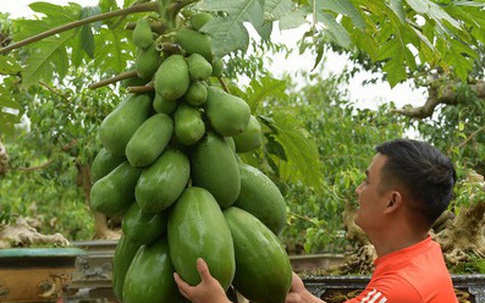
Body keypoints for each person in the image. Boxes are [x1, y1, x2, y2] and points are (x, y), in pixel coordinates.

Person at [173, 139, 458, 303]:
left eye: (367, 182)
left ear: (392, 202)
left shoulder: (399, 291)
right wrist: (306, 298)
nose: (358, 191)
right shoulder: (424, 256)